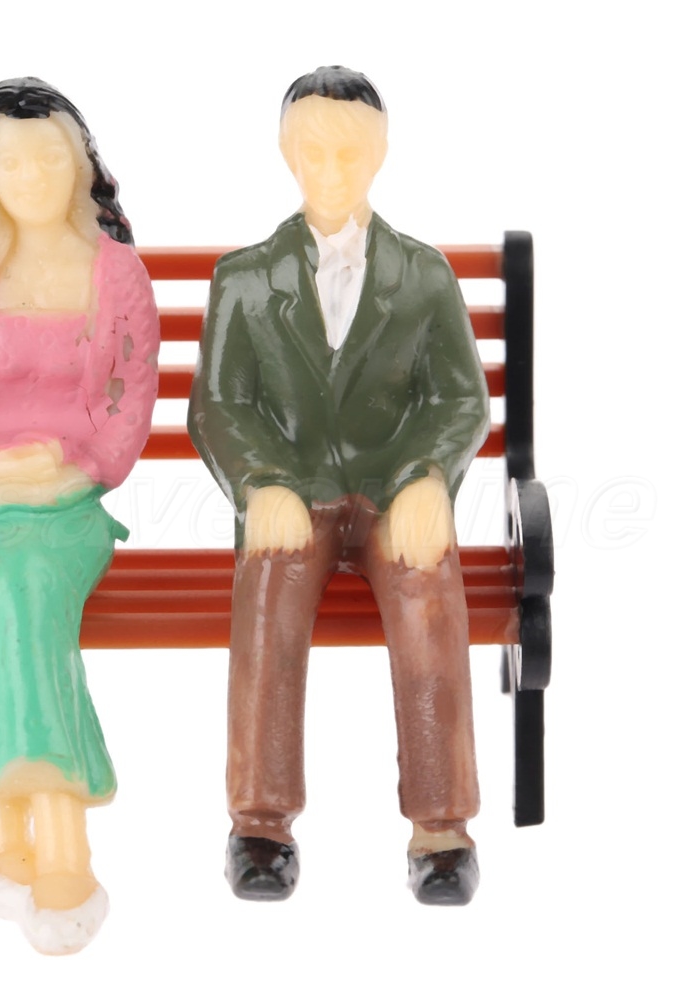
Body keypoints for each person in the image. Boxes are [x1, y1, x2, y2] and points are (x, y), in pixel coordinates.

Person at [188, 66, 489, 906]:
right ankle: (259, 823)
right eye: (314, 150)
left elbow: (459, 399)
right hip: (295, 488)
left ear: (380, 153)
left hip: (392, 487)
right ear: (288, 155)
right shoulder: (245, 279)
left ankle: (442, 828)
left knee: (427, 585)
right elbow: (218, 406)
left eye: (350, 151)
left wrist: (428, 475)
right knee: (270, 585)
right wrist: (261, 483)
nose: (331, 167)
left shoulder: (423, 275)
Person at [0, 78, 159, 952]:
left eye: (48, 157)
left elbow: (129, 409)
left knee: (21, 586)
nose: (31, 176)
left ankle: (50, 840)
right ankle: (15, 831)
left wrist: (69, 474)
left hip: (66, 505)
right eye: (8, 162)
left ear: (81, 163)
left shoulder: (117, 275)